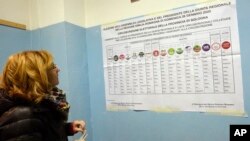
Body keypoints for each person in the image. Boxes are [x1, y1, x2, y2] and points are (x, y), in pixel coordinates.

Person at [0, 50, 86, 141]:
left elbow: (41, 130)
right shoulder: (23, 115)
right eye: (53, 66)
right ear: (37, 74)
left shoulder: (36, 104)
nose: (58, 69)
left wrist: (68, 128)